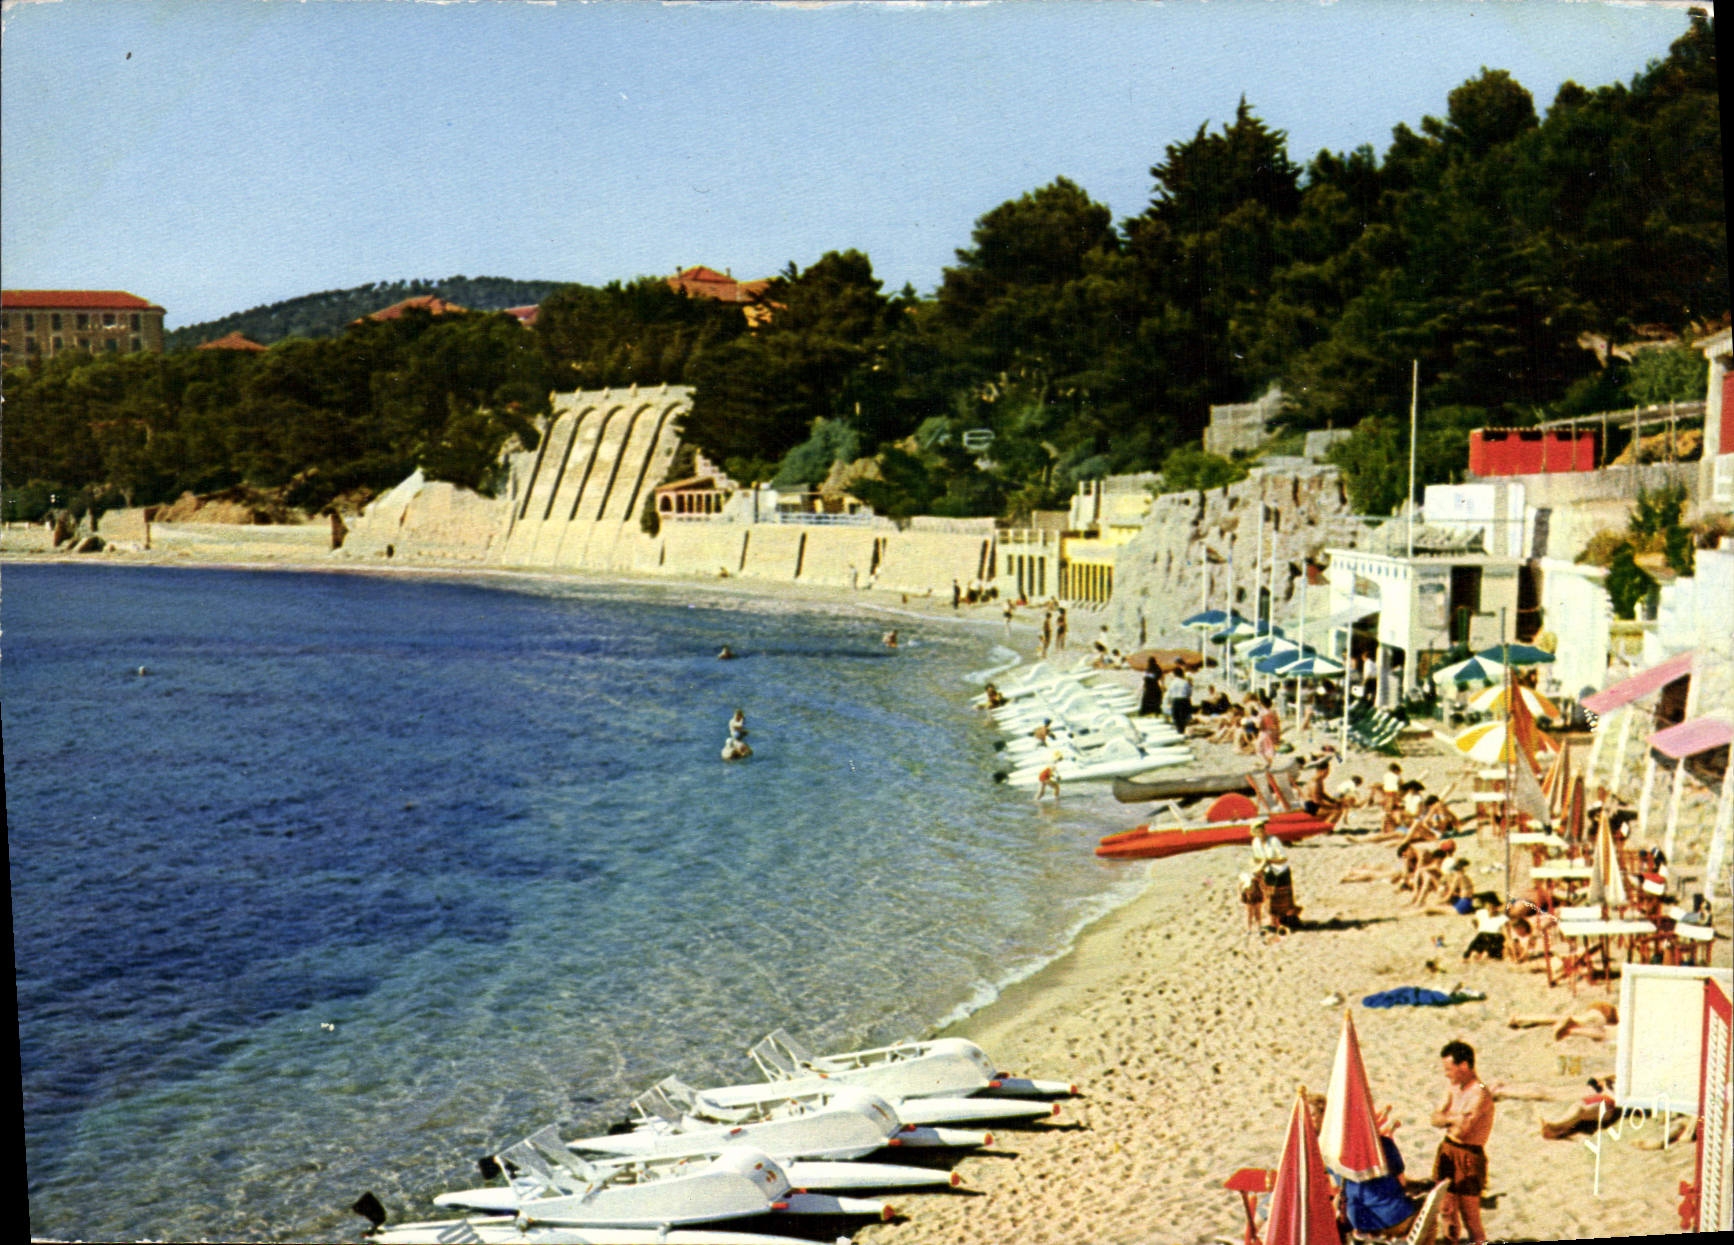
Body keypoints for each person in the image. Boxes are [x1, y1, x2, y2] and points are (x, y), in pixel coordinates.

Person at [1431, 1040, 1494, 1245]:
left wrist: (1447, 1117)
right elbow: (1434, 1118)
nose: (1446, 1073)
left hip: (1469, 1155)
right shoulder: (1453, 1087)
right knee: (1446, 1209)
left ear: (1464, 1065)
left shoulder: (1480, 1093)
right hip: (1448, 1149)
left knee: (1470, 1215)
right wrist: (1453, 1118)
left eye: (1449, 1069)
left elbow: (1463, 1130)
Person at [1462, 895, 1508, 960]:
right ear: (1486, 907)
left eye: (1493, 907)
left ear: (1496, 908)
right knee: (1475, 948)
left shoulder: (1502, 918)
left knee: (1486, 955)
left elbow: (1505, 932)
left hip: (1496, 937)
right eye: (1489, 907)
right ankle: (1466, 956)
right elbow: (1476, 924)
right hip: (1482, 937)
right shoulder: (1481, 913)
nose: (1491, 909)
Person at [1255, 693, 1281, 768]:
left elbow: (1260, 724)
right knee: (1269, 747)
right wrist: (1278, 732)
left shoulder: (1262, 713)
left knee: (1260, 747)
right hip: (1273, 731)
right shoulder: (1273, 712)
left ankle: (1267, 762)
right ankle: (1269, 762)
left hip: (1265, 732)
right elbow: (1277, 722)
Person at [1167, 670, 1195, 734]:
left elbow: (1169, 693)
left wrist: (1169, 701)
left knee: (1176, 717)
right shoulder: (1185, 682)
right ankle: (1183, 729)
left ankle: (1179, 730)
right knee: (1184, 716)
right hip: (1184, 700)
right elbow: (1189, 693)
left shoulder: (1172, 683)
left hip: (1176, 700)